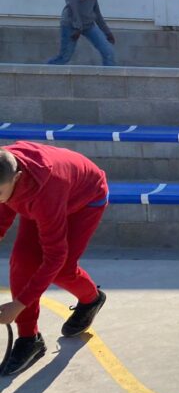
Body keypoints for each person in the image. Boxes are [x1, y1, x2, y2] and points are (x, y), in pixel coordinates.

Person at [0, 142, 109, 377]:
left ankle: (91, 299)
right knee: (22, 260)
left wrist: (19, 305)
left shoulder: (45, 194)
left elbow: (54, 257)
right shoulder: (6, 167)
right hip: (42, 194)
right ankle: (29, 339)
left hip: (85, 199)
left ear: (17, 178)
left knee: (62, 269)